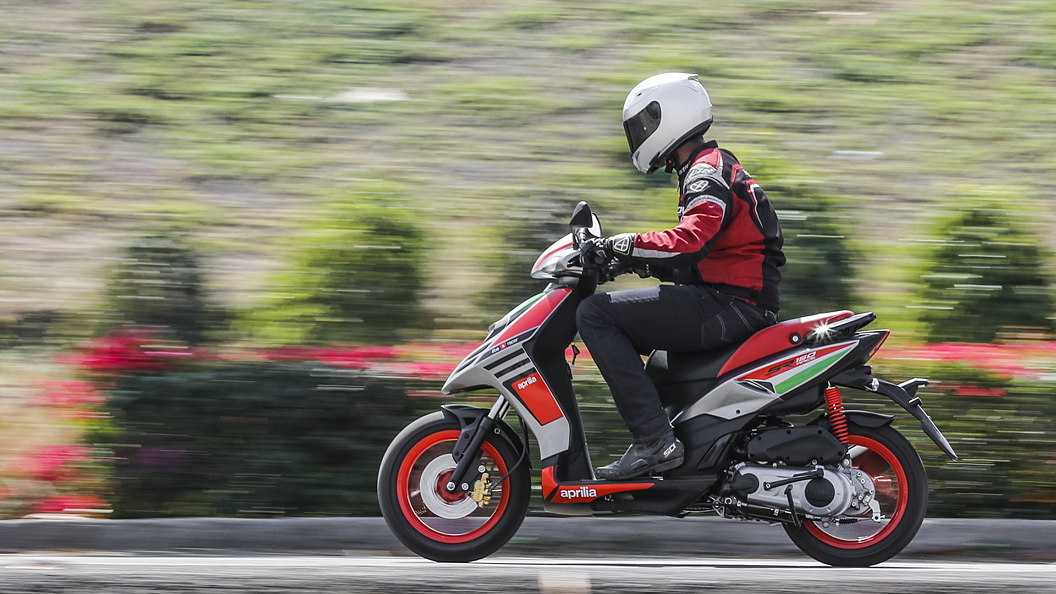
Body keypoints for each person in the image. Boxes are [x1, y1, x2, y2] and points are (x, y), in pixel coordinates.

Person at [577, 73, 786, 480]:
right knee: (656, 362)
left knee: (595, 315)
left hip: (730, 303)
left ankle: (655, 444)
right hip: (735, 299)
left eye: (642, 125)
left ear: (667, 117)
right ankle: (680, 450)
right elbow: (702, 254)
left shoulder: (706, 171)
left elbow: (691, 242)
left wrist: (621, 243)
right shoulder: (709, 166)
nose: (638, 136)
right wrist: (632, 262)